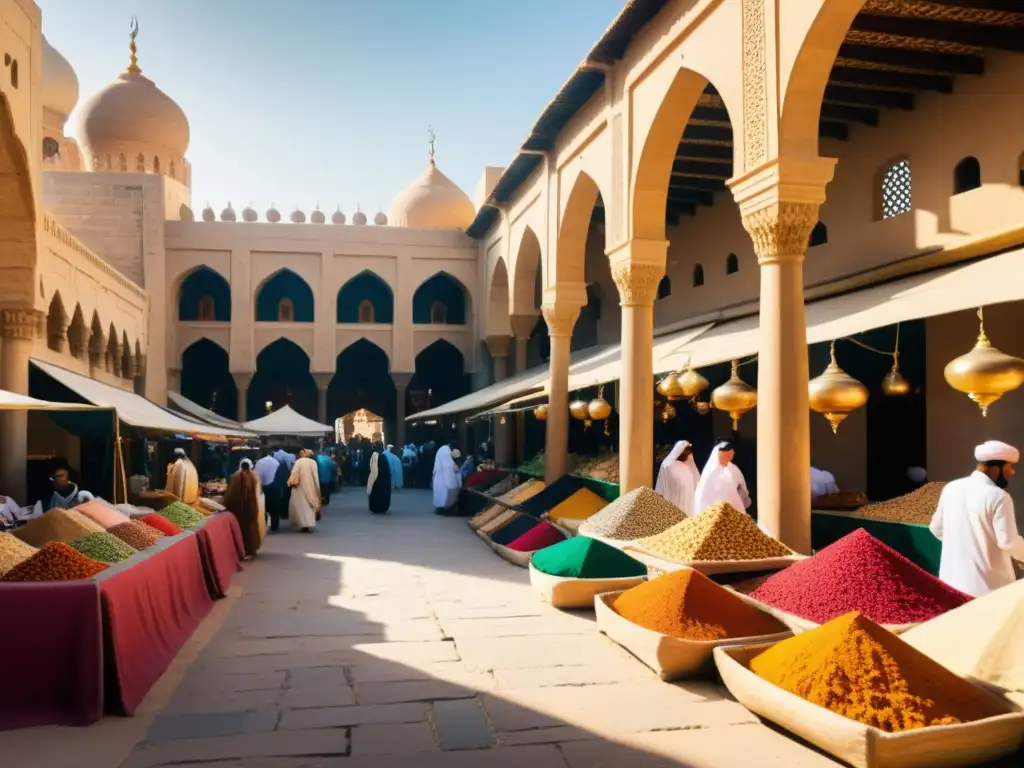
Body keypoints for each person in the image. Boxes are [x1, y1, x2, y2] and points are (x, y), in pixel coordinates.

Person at [930, 441, 1024, 597]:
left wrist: (964, 547)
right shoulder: (999, 496)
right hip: (988, 591)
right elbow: (1008, 542)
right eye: (1009, 467)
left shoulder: (951, 488)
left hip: (951, 585)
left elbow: (936, 528)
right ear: (995, 468)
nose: (1012, 473)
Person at [693, 440, 751, 518]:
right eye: (729, 454)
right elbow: (703, 493)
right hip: (713, 509)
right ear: (721, 453)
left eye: (732, 453)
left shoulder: (733, 468)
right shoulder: (711, 470)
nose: (731, 456)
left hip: (733, 507)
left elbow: (741, 487)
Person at [224, 458, 263, 558]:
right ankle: (251, 550)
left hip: (238, 510)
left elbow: (231, 493)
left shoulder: (236, 476)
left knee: (240, 530)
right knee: (250, 530)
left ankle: (241, 550)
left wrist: (225, 504)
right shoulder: (253, 477)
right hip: (251, 508)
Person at [655, 440, 701, 516]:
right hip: (672, 499)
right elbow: (662, 485)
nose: (688, 455)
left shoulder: (688, 467)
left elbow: (695, 484)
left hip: (688, 500)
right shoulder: (668, 465)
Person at [288, 449, 321, 532]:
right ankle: (309, 523)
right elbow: (315, 477)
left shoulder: (298, 462)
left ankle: (302, 524)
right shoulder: (313, 462)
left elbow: (293, 474)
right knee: (309, 506)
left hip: (299, 488)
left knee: (300, 506)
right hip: (311, 487)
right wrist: (318, 490)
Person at [432, 444, 461, 514]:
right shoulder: (445, 451)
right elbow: (448, 467)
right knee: (444, 495)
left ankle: (441, 508)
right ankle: (446, 509)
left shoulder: (443, 450)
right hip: (443, 477)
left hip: (440, 476)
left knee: (441, 494)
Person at [367, 444, 393, 514]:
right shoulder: (384, 458)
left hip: (378, 485)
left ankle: (376, 506)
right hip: (385, 485)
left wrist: (369, 489)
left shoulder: (375, 457)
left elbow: (374, 473)